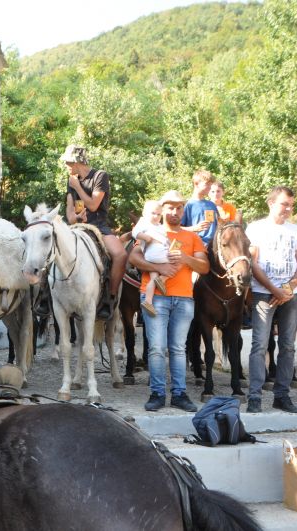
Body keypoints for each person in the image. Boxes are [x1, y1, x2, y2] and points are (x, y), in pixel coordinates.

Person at [128, 190, 209, 412]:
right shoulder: (151, 230)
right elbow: (133, 257)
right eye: (170, 208)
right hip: (155, 298)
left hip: (184, 297)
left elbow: (204, 266)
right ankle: (157, 393)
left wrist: (185, 258)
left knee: (178, 348)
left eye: (179, 208)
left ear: (183, 209)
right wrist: (158, 268)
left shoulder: (191, 237)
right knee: (156, 348)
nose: (175, 212)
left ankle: (179, 394)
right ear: (162, 210)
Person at [245, 186, 297, 413]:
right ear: (271, 203)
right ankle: (254, 396)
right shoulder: (256, 228)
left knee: (288, 346)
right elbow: (253, 263)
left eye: (291, 205)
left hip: (290, 294)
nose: (288, 209)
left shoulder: (295, 231)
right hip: (263, 292)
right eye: (284, 204)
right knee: (259, 345)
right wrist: (274, 289)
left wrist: (288, 289)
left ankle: (282, 395)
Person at [60, 144, 126, 320]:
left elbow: (94, 205)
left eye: (68, 162)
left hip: (99, 226)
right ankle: (44, 297)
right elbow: (69, 213)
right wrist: (75, 218)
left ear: (77, 161)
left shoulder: (99, 176)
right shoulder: (71, 181)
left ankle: (109, 298)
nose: (66, 165)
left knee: (120, 255)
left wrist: (78, 187)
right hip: (78, 227)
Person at [180, 169, 219, 246]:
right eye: (206, 184)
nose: (209, 187)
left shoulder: (212, 205)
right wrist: (194, 228)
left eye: (210, 185)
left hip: (214, 246)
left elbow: (218, 226)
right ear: (196, 184)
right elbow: (176, 229)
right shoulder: (187, 205)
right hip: (196, 245)